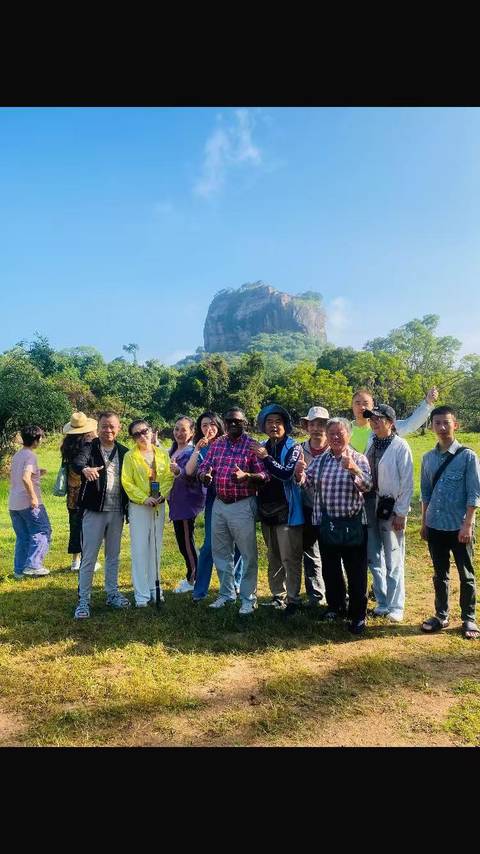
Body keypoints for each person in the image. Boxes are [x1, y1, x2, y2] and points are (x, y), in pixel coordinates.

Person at [295, 417, 372, 634]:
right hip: (326, 524)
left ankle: (358, 615)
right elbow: (306, 482)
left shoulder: (358, 458)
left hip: (353, 525)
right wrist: (299, 473)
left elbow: (367, 486)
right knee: (331, 570)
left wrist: (353, 469)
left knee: (356, 571)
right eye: (332, 434)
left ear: (349, 435)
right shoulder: (322, 460)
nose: (336, 437)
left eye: (340, 433)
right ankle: (336, 606)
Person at [198, 407, 269, 615]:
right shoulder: (217, 444)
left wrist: (247, 476)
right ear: (225, 424)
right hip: (219, 504)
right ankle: (226, 594)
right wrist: (205, 476)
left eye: (237, 421)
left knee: (247, 554)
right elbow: (205, 468)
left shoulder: (252, 445)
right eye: (229, 421)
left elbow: (265, 475)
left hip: (242, 504)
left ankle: (248, 598)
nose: (233, 425)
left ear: (244, 423)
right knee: (221, 552)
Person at [420, 405, 480, 640]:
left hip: (459, 527)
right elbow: (426, 493)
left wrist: (468, 524)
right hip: (435, 525)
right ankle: (441, 615)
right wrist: (424, 522)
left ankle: (469, 618)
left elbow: (474, 494)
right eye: (437, 423)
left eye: (447, 422)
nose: (442, 428)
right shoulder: (427, 458)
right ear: (432, 426)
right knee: (440, 574)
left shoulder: (467, 456)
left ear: (456, 425)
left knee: (466, 575)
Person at [71, 410, 131, 619]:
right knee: (89, 557)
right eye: (104, 426)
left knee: (113, 556)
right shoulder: (89, 447)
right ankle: (83, 601)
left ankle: (112, 593)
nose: (108, 430)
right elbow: (77, 463)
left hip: (116, 513)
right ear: (98, 428)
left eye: (112, 426)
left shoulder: (124, 452)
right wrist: (85, 470)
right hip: (94, 511)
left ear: (119, 428)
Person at [252, 404, 304, 615]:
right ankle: (277, 596)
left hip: (287, 511)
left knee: (289, 557)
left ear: (286, 425)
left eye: (278, 422)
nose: (274, 426)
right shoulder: (263, 445)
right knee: (273, 555)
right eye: (269, 422)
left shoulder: (294, 447)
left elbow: (286, 474)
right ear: (264, 426)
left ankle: (293, 599)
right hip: (266, 509)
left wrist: (266, 458)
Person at [185, 411, 243, 602]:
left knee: (239, 545)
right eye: (203, 425)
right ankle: (200, 591)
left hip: (238, 499)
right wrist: (198, 449)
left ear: (219, 425)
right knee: (210, 545)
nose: (208, 429)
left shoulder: (232, 443)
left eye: (212, 424)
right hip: (214, 501)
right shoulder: (201, 448)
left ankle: (235, 583)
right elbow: (190, 472)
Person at [363, 404, 414, 622]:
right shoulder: (370, 442)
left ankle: (396, 605)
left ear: (390, 422)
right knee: (374, 556)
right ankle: (382, 602)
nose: (374, 422)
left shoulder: (400, 446)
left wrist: (401, 513)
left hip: (391, 507)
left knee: (393, 557)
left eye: (378, 418)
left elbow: (407, 483)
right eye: (371, 418)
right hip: (370, 503)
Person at [121, 419, 174, 607]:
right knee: (140, 549)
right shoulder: (130, 457)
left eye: (145, 431)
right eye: (137, 434)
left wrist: (161, 496)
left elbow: (168, 477)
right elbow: (127, 482)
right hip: (139, 507)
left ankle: (155, 589)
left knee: (155, 548)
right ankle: (141, 594)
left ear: (151, 431)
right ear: (133, 438)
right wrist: (144, 498)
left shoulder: (162, 454)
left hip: (158, 506)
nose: (142, 436)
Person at [168, 416, 206, 593]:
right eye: (176, 429)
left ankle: (193, 578)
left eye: (183, 430)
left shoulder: (191, 452)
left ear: (192, 433)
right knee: (183, 541)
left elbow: (190, 475)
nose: (179, 433)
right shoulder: (173, 450)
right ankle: (194, 574)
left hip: (186, 503)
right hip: (176, 502)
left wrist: (178, 471)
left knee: (186, 542)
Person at [9, 425, 51, 578]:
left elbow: (19, 474)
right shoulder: (31, 456)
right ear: (36, 440)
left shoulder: (17, 455)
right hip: (28, 502)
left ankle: (19, 570)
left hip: (14, 503)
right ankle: (34, 565)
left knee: (23, 536)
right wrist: (33, 497)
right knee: (42, 531)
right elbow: (25, 478)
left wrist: (39, 472)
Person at [298, 406, 329, 606]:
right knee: (309, 553)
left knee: (332, 553)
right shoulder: (300, 450)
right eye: (313, 424)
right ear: (307, 426)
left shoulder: (337, 448)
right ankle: (315, 595)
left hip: (331, 510)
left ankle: (337, 592)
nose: (317, 428)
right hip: (308, 507)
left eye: (321, 424)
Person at [60, 412, 98, 572]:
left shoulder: (67, 444)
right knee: (87, 527)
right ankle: (85, 560)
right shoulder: (88, 444)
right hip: (85, 491)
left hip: (72, 492)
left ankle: (75, 560)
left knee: (74, 526)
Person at [350, 387, 439, 454]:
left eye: (366, 403)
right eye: (357, 403)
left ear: (373, 405)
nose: (362, 407)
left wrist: (427, 402)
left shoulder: (386, 426)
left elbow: (410, 424)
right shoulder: (344, 429)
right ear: (352, 406)